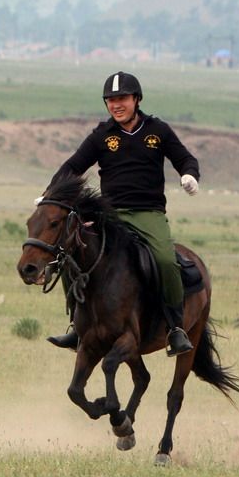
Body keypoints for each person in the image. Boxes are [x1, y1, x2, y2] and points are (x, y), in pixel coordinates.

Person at [45, 71, 199, 357]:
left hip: (148, 213)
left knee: (166, 260)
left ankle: (176, 328)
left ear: (136, 100)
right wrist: (50, 194)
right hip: (110, 215)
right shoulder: (101, 135)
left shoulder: (158, 131)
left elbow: (185, 159)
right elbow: (72, 166)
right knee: (72, 252)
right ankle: (76, 327)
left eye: (122, 99)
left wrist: (189, 175)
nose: (116, 105)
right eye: (111, 100)